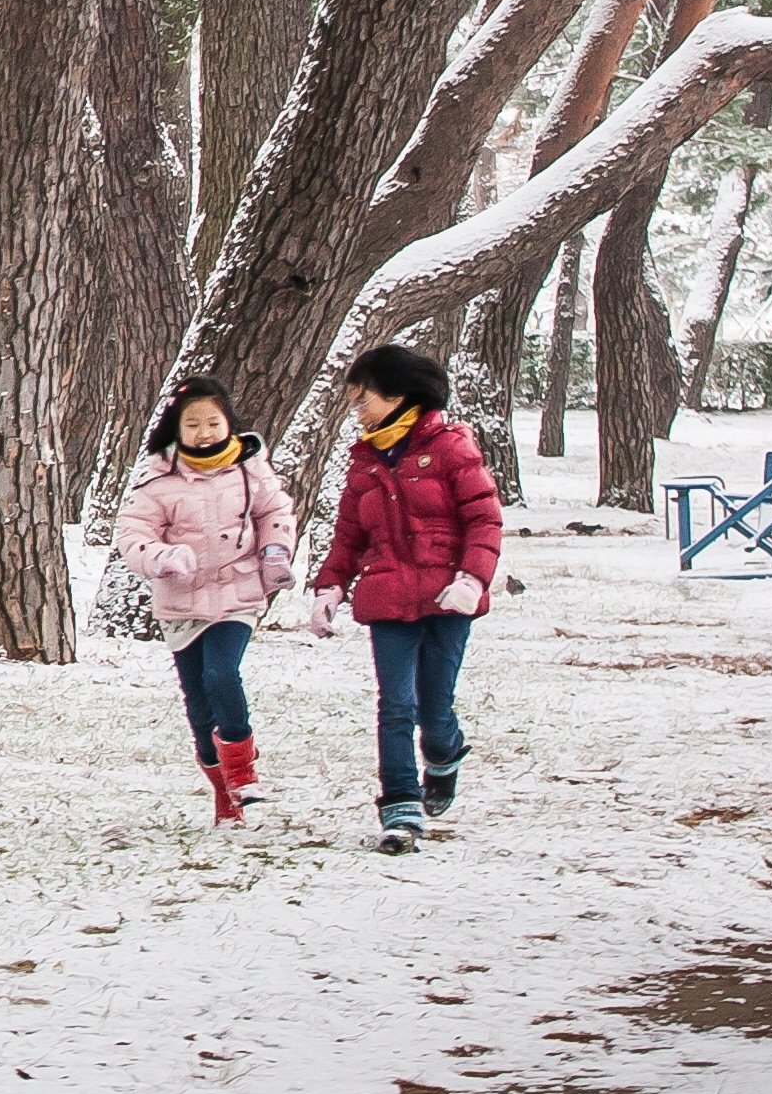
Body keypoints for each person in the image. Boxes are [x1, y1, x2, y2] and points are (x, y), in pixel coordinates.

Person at [306, 342, 501, 853]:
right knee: (396, 704)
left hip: (448, 599)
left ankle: (444, 755)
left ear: (395, 395)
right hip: (388, 596)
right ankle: (400, 810)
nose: (357, 409)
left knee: (434, 710)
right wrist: (329, 588)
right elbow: (348, 536)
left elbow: (484, 518)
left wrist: (472, 579)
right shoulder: (364, 462)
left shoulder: (453, 446)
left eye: (362, 397)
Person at [110, 374, 297, 826]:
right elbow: (133, 534)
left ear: (228, 423)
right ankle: (224, 798)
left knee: (222, 673)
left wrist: (274, 551)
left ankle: (243, 771)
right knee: (197, 705)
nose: (204, 433)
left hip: (238, 593)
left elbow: (276, 512)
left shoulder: (251, 468)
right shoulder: (158, 478)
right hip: (182, 602)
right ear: (176, 430)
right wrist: (161, 557)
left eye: (212, 422)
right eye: (192, 424)